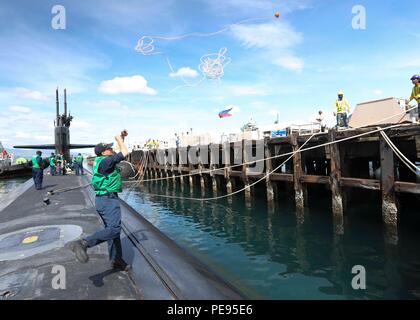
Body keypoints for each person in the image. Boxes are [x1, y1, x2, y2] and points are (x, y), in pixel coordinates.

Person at [68, 130, 131, 271]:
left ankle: (116, 260)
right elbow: (125, 153)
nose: (112, 149)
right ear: (103, 152)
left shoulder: (103, 161)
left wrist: (122, 138)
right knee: (114, 230)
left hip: (103, 199)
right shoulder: (106, 162)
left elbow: (119, 150)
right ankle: (84, 243)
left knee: (111, 231)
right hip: (108, 200)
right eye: (109, 148)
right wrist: (118, 139)